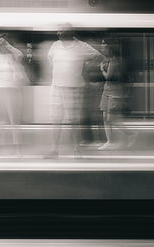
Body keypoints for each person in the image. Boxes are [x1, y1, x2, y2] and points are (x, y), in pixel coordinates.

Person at [47, 24, 102, 158]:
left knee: (74, 121)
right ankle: (54, 150)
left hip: (74, 87)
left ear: (70, 33)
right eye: (58, 30)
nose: (58, 33)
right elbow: (50, 60)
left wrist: (85, 67)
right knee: (56, 120)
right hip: (56, 87)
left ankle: (76, 150)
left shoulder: (81, 46)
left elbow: (98, 56)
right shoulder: (55, 45)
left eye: (62, 31)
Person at [98, 42, 135, 150]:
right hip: (107, 91)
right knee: (105, 117)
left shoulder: (114, 62)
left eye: (104, 48)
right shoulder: (109, 60)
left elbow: (108, 77)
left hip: (115, 93)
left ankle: (131, 134)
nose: (102, 50)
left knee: (111, 119)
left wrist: (102, 70)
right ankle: (109, 141)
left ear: (110, 50)